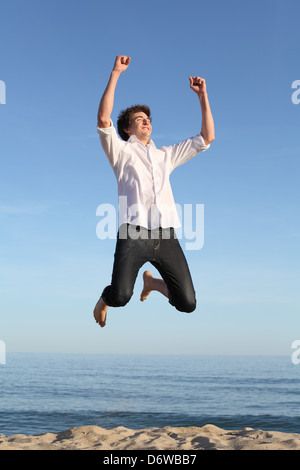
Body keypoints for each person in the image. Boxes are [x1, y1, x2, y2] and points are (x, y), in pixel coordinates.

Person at [94, 55, 215, 327]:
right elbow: (103, 119)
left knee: (188, 303)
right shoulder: (121, 152)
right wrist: (115, 72)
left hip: (166, 236)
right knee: (122, 296)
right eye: (139, 119)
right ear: (127, 128)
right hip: (133, 234)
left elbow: (207, 138)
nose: (146, 121)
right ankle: (104, 300)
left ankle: (153, 283)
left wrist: (202, 96)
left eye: (148, 118)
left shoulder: (165, 155)